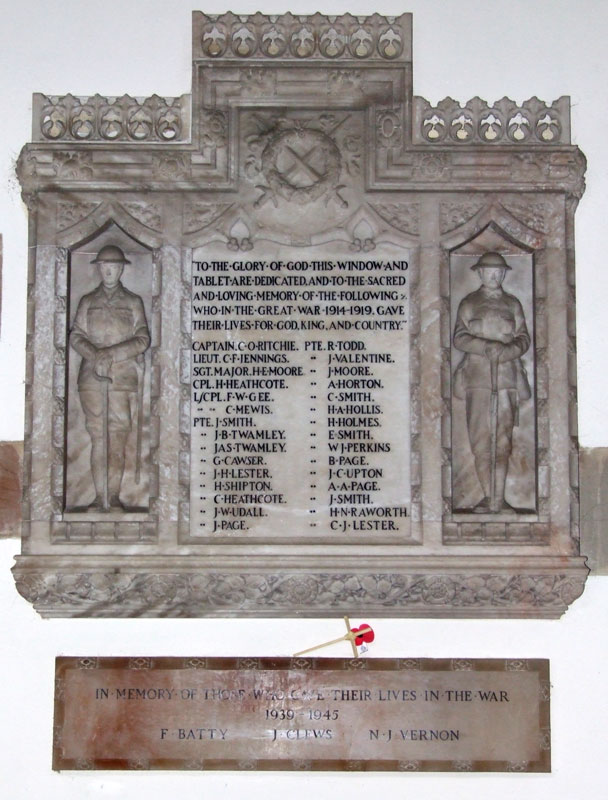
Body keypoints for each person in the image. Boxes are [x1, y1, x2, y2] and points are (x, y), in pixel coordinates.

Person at [70, 245, 150, 510]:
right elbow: (76, 335)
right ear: (98, 268)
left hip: (122, 379)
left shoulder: (132, 302)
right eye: (104, 266)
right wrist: (94, 355)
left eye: (114, 267)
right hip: (92, 378)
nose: (109, 271)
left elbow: (142, 339)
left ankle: (113, 496)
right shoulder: (88, 302)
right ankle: (98, 496)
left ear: (121, 269)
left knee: (116, 438)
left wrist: (112, 354)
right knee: (98, 437)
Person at [453, 252, 531, 513]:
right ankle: (488, 497)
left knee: (503, 442)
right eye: (489, 271)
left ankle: (500, 499)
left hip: (507, 377)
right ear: (480, 273)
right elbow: (460, 338)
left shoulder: (512, 303)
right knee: (480, 440)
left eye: (499, 272)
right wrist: (487, 347)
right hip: (478, 379)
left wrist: (507, 352)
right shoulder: (469, 303)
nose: (495, 276)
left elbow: (523, 339)